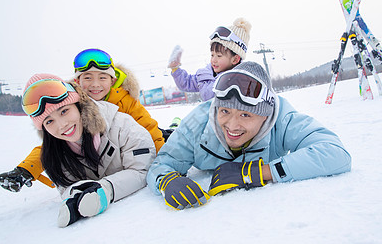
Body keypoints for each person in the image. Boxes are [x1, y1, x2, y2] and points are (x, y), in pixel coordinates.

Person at [147, 61, 352, 210]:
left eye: (245, 115)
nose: (232, 126)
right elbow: (162, 164)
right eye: (225, 111)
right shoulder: (197, 123)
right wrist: (166, 181)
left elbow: (335, 153)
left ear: (265, 115)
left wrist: (259, 173)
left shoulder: (281, 119)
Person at [0, 48, 167, 192]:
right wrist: (26, 169)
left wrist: (163, 161)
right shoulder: (70, 106)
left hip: (133, 150)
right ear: (78, 80)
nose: (95, 84)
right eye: (88, 78)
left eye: (102, 77)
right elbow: (54, 144)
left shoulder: (125, 101)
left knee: (163, 135)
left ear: (113, 80)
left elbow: (147, 127)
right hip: (105, 165)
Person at [6, 74, 155, 227]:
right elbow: (65, 186)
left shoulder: (122, 127)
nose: (62, 125)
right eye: (49, 121)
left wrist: (106, 189)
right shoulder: (55, 153)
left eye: (64, 111)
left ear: (79, 105)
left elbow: (142, 169)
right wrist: (75, 195)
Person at [168, 17, 251, 101]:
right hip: (209, 113)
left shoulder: (240, 80)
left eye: (219, 56)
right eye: (212, 55)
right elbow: (186, 83)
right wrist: (175, 68)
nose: (214, 60)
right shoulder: (205, 75)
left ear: (235, 59)